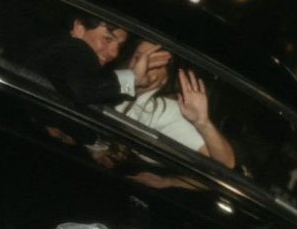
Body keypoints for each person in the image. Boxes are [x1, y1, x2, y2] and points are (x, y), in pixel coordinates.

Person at [116, 40, 236, 171]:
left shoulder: (165, 111)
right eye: (138, 57)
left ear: (165, 79)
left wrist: (202, 122)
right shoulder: (114, 82)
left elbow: (225, 163)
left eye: (155, 61)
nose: (142, 64)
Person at [36, 14, 168, 104]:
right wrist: (132, 78)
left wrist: (136, 84)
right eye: (107, 39)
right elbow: (80, 89)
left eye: (119, 46)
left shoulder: (56, 47)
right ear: (79, 28)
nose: (115, 53)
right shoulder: (70, 48)